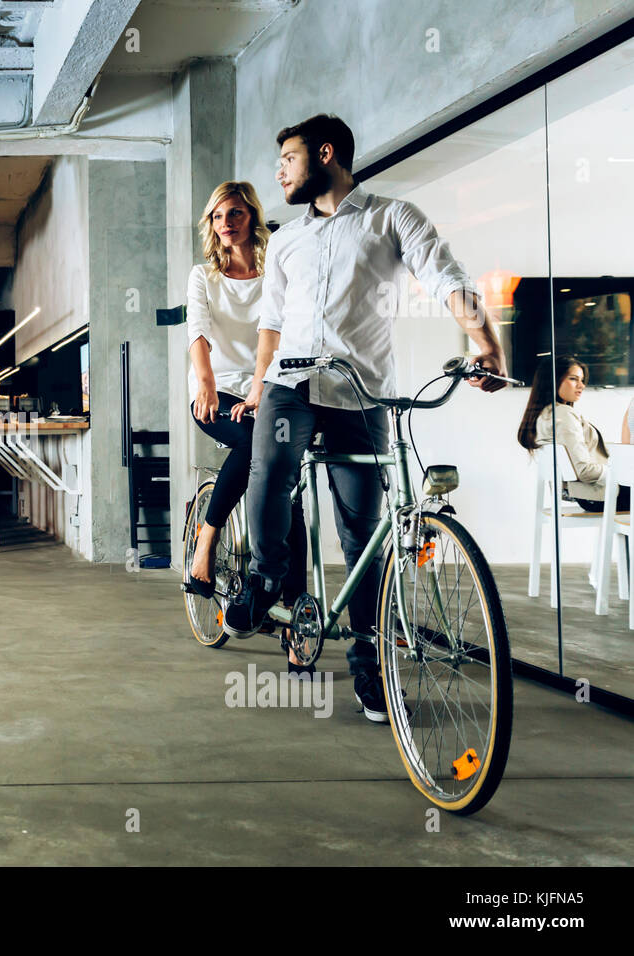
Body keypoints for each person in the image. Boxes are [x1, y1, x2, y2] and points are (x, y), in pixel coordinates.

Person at [221, 113, 508, 723]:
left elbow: (442, 273)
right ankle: (266, 578)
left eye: (289, 159)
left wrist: (482, 337)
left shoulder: (392, 217)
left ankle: (370, 669)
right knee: (267, 471)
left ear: (326, 154)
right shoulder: (288, 242)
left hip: (363, 393)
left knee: (363, 539)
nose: (279, 172)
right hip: (291, 385)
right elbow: (270, 325)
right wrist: (254, 388)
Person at [181, 181, 310, 670]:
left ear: (251, 216)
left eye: (234, 213)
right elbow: (198, 332)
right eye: (217, 216)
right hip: (215, 392)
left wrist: (261, 390)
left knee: (285, 493)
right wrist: (208, 384)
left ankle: (297, 620)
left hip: (266, 388)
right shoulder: (204, 277)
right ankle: (207, 540)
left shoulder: (272, 267)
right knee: (261, 457)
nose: (226, 223)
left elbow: (272, 334)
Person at [519, 355, 629, 511]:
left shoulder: (545, 415)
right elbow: (584, 471)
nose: (581, 385)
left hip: (589, 496)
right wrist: (620, 472)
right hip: (598, 496)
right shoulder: (563, 415)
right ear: (553, 380)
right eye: (573, 379)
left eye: (582, 380)